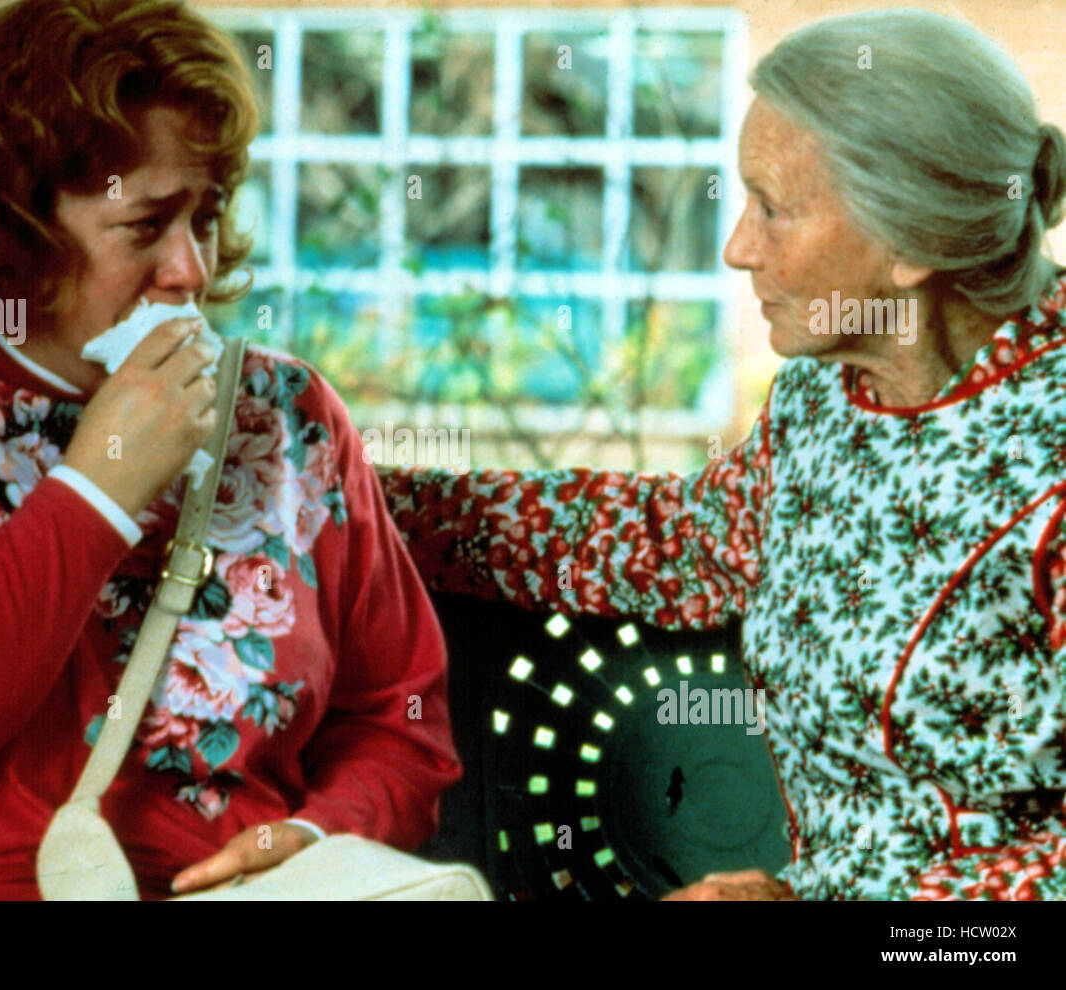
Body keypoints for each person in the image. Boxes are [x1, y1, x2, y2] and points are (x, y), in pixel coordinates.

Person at [0, 0, 459, 900]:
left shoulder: (287, 415)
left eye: (205, 218)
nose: (192, 272)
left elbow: (399, 720)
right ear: (9, 231)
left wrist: (315, 832)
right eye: (146, 226)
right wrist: (97, 488)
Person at [381, 9, 1066, 901]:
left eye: (774, 210)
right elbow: (680, 545)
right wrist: (357, 499)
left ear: (912, 244)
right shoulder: (831, 394)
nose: (738, 247)